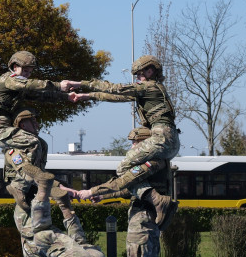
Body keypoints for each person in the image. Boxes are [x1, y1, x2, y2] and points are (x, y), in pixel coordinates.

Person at [77, 126, 174, 257]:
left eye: (136, 142)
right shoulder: (158, 162)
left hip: (142, 217)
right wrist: (102, 196)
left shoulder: (151, 162)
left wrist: (92, 191)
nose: (133, 147)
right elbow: (129, 190)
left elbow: (124, 181)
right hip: (151, 217)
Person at [66, 54, 179, 228]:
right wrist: (86, 96)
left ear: (150, 71)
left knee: (123, 168)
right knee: (133, 174)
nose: (137, 79)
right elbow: (117, 97)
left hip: (160, 138)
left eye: (140, 74)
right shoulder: (150, 89)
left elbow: (115, 89)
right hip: (167, 140)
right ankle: (158, 201)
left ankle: (156, 199)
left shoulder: (149, 87)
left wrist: (79, 84)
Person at [0, 50, 75, 231]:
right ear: (14, 66)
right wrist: (59, 85)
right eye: (24, 69)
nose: (27, 73)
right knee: (33, 142)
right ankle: (19, 185)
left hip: (6, 126)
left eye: (30, 70)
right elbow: (34, 85)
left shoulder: (19, 89)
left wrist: (67, 96)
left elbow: (41, 95)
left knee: (41, 143)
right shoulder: (9, 79)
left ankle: (36, 180)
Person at [5, 107, 86, 244]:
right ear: (23, 125)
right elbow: (28, 171)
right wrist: (56, 185)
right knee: (38, 245)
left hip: (36, 198)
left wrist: (61, 187)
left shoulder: (39, 145)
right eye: (33, 121)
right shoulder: (16, 148)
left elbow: (40, 174)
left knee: (41, 249)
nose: (37, 124)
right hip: (26, 202)